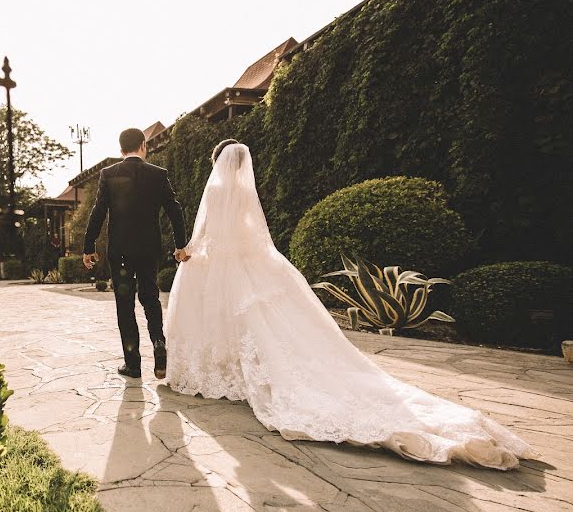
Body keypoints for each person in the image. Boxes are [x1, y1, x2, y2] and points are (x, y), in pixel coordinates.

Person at [164, 140, 539, 469]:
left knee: (228, 321)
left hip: (222, 267)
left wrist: (189, 253)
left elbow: (207, 232)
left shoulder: (214, 192)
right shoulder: (247, 192)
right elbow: (255, 234)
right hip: (250, 263)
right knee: (263, 326)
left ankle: (224, 372)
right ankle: (240, 374)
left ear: (217, 163)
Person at [83, 128, 188, 379]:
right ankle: (159, 343)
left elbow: (98, 211)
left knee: (125, 305)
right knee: (150, 297)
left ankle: (133, 364)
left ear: (121, 150)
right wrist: (180, 245)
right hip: (149, 248)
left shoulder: (108, 174)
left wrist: (89, 246)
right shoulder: (158, 174)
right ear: (143, 145)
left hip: (119, 250)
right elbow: (175, 210)